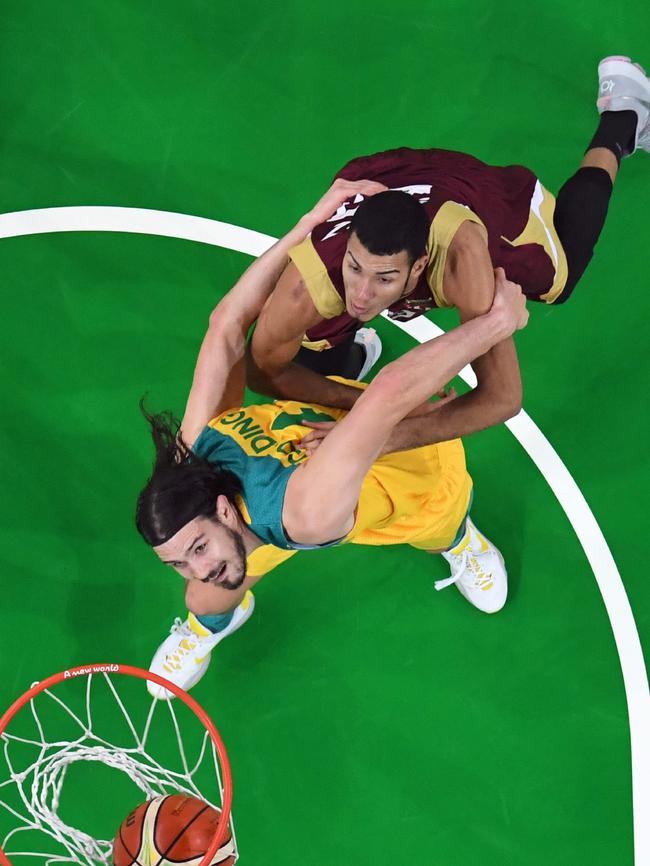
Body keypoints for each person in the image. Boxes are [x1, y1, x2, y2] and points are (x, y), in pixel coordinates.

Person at [135, 180, 528, 699]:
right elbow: (226, 325)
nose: (197, 567)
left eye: (198, 549)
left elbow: (386, 397)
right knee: (204, 598)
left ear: (223, 511)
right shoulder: (197, 472)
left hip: (398, 476)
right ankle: (213, 627)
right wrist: (307, 224)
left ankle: (461, 542)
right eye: (181, 559)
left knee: (439, 517)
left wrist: (496, 323)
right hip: (323, 438)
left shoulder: (303, 512)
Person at [246, 55, 650, 454]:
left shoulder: (463, 260)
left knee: (559, 279)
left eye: (384, 278)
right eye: (355, 268)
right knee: (313, 344)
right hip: (382, 177)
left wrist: (376, 441)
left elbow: (503, 397)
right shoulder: (312, 278)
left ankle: (621, 119)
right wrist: (361, 405)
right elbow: (262, 372)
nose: (362, 294)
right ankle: (348, 361)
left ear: (419, 266)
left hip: (463, 194)